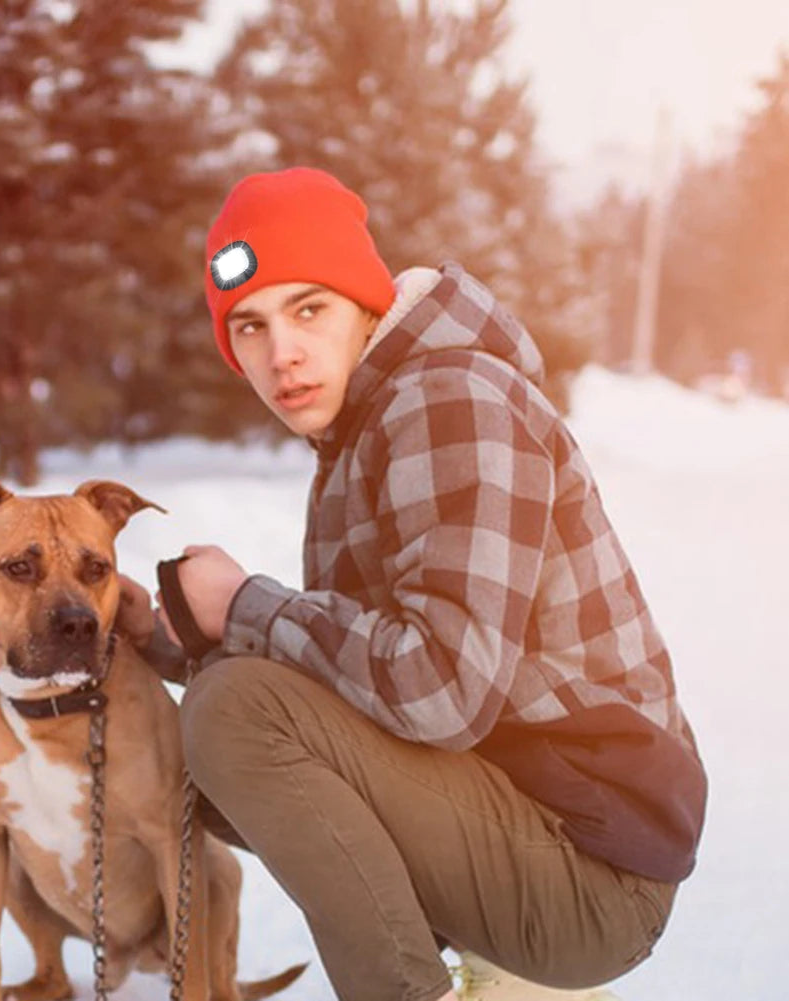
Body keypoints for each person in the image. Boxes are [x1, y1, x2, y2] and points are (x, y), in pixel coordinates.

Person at [116, 167, 707, 1001]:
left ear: (364, 300)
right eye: (248, 326)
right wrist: (182, 641)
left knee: (235, 715)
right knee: (214, 726)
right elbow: (362, 670)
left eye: (308, 309)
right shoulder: (371, 419)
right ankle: (502, 980)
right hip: (525, 815)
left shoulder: (447, 398)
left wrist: (245, 606)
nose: (279, 352)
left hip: (592, 870)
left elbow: (439, 692)